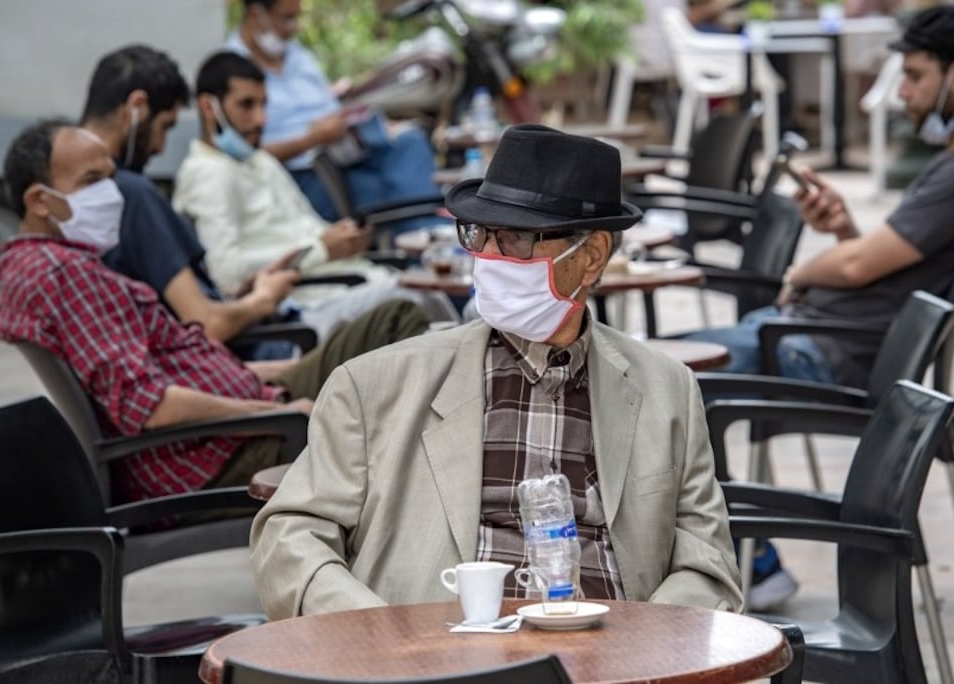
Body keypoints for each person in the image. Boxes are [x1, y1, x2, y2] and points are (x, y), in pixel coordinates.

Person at [249, 124, 743, 620]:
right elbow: (290, 537)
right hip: (435, 659)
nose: (488, 257)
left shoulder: (666, 390)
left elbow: (709, 564)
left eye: (517, 239)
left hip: (611, 658)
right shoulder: (374, 387)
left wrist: (647, 649)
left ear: (591, 257)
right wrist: (375, 635)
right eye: (479, 233)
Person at [684, 5, 954, 609]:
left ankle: (752, 563)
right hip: (819, 337)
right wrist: (843, 230)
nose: (906, 93)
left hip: (829, 354)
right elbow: (881, 266)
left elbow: (861, 269)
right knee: (663, 369)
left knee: (668, 381)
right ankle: (736, 558)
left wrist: (801, 272)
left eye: (915, 76)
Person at [0, 119, 430, 505]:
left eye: (110, 177)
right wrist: (275, 416)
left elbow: (170, 364)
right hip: (213, 454)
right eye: (91, 181)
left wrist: (278, 376)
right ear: (40, 200)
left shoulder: (44, 264)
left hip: (242, 406)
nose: (110, 194)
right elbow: (148, 406)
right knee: (398, 352)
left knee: (388, 324)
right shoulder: (68, 275)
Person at [173, 51, 458, 340]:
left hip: (345, 282)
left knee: (432, 295)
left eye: (263, 105)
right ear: (210, 108)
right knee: (421, 302)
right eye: (246, 105)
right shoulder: (207, 173)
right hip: (302, 309)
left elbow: (308, 227)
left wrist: (343, 240)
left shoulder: (260, 162)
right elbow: (226, 274)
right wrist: (321, 249)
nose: (260, 119)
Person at [79, 44, 298, 357]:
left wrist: (238, 295)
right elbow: (206, 324)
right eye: (164, 127)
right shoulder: (129, 194)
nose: (160, 147)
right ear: (137, 106)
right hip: (237, 363)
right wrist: (263, 299)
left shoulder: (70, 198)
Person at [226, 0, 444, 234]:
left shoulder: (297, 56)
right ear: (255, 14)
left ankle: (434, 240)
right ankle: (430, 247)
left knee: (411, 141)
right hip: (303, 174)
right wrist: (310, 139)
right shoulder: (230, 70)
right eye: (287, 18)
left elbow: (327, 108)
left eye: (297, 18)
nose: (295, 27)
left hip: (342, 152)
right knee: (402, 192)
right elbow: (238, 151)